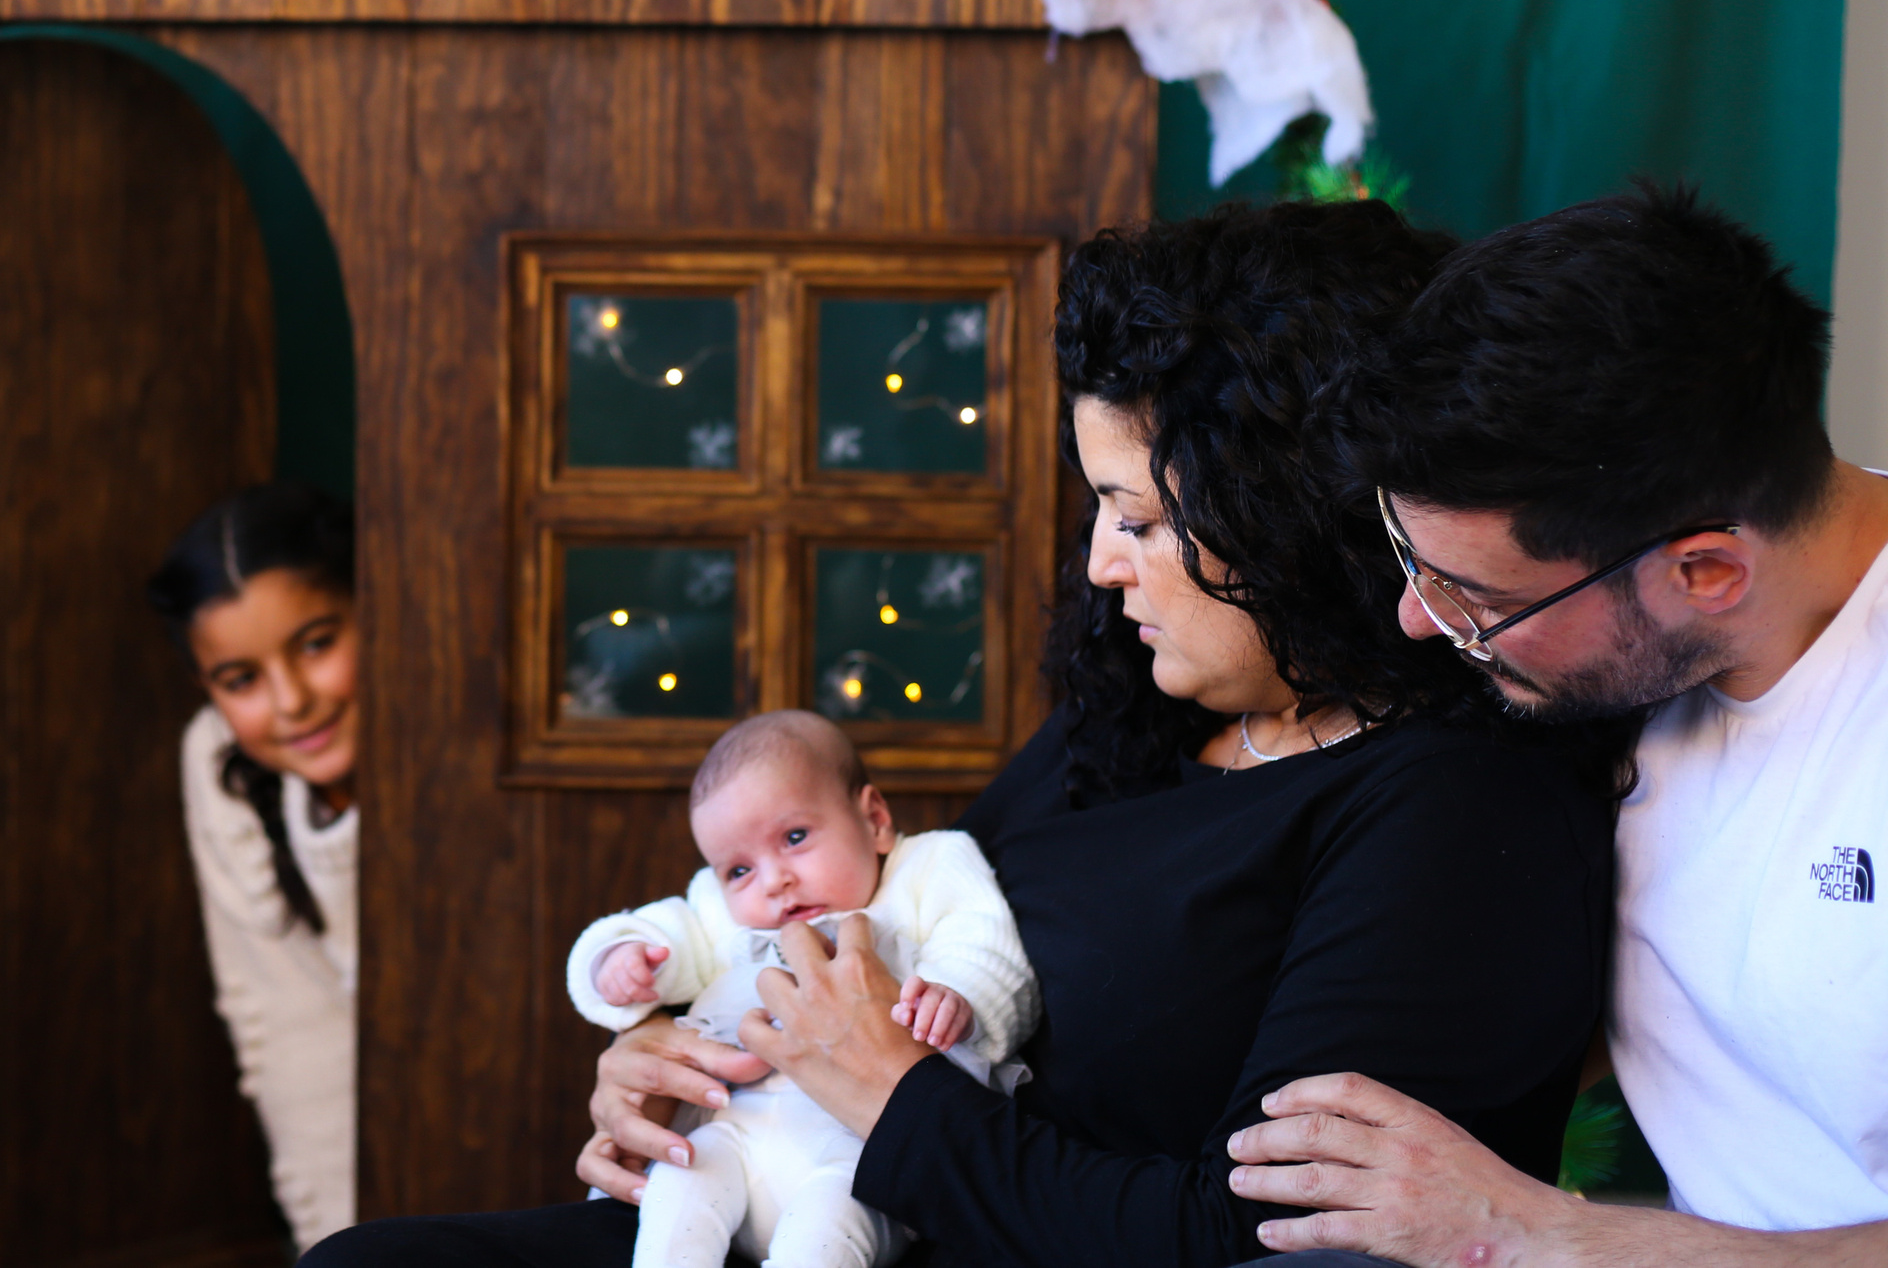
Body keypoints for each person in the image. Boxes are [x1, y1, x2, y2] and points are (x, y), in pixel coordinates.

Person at [304, 201, 1620, 1268]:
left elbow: (1240, 1236)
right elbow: (894, 929)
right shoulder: (1149, 713)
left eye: (1142, 518)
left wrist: (884, 1090)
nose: (1104, 563)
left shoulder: (1449, 812)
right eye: (1097, 506)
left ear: (1296, 518)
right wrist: (677, 1055)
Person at [1226, 187, 1888, 1267]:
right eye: (1411, 563)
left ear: (1704, 571)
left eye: (1473, 597)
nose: (1417, 621)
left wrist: (1544, 1235)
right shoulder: (1625, 678)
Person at [567, 711, 1035, 1268]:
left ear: (875, 819)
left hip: (858, 1151)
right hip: (737, 1136)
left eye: (794, 837)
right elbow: (666, 934)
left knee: (826, 1232)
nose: (772, 881)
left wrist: (955, 994)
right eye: (738, 870)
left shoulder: (929, 866)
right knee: (679, 1183)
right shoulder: (724, 914)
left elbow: (984, 942)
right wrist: (618, 960)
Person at [149, 481, 361, 1253]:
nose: (291, 700)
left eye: (315, 643)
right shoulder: (219, 760)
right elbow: (288, 1025)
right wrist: (337, 1241)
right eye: (241, 679)